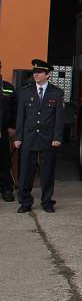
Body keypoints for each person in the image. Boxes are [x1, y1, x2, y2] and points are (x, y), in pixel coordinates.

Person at [14, 59, 65, 213]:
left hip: (47, 138)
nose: (36, 75)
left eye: (39, 72)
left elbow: (59, 118)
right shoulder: (25, 92)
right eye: (34, 72)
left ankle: (47, 201)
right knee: (26, 172)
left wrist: (57, 137)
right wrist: (18, 137)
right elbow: (20, 117)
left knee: (47, 172)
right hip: (29, 137)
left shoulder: (56, 93)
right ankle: (25, 202)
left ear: (48, 75)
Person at [0, 60, 16, 202]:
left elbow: (15, 109)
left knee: (4, 162)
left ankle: (6, 190)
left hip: (2, 132)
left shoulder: (8, 88)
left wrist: (12, 126)